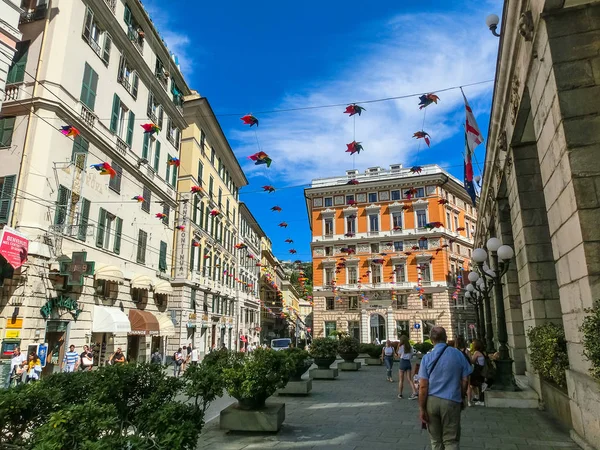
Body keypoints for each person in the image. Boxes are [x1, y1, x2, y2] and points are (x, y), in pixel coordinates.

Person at [418, 327, 472, 450]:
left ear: (431, 340)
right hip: (452, 399)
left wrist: (421, 408)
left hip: (431, 401)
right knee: (451, 440)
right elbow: (465, 379)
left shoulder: (427, 358)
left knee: (436, 441)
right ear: (446, 338)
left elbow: (423, 386)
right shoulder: (458, 354)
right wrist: (461, 394)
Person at [397, 335, 418, 399]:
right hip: (408, 363)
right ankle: (414, 392)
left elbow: (398, 355)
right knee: (409, 379)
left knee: (401, 380)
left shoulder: (401, 347)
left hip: (402, 362)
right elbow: (412, 356)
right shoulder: (410, 347)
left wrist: (398, 346)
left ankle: (400, 394)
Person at [454, 336, 473, 405]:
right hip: (467, 369)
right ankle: (469, 401)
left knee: (458, 384)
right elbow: (471, 360)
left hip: (458, 369)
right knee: (468, 385)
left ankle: (459, 399)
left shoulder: (455, 351)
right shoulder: (467, 351)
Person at [470, 339, 486, 406]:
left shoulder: (476, 353)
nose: (472, 345)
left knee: (472, 382)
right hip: (482, 369)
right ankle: (478, 397)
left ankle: (481, 400)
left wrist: (469, 356)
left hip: (478, 370)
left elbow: (472, 361)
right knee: (477, 384)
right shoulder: (482, 352)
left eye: (473, 344)